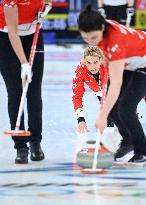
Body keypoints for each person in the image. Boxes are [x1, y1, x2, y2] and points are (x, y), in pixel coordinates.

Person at [77, 4, 146, 163]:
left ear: (102, 28)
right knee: (113, 109)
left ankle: (142, 149)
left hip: (143, 62)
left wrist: (101, 117)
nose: (90, 43)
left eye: (93, 38)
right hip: (130, 61)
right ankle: (128, 140)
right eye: (85, 38)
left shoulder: (115, 42)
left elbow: (115, 83)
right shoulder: (101, 27)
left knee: (126, 108)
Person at [0, 0, 52, 164]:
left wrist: (45, 12)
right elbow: (13, 34)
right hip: (7, 40)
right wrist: (24, 63)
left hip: (33, 35)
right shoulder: (10, 2)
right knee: (15, 92)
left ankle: (35, 142)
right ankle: (21, 146)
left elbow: (48, 3)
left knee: (34, 93)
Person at [72, 46, 107, 133]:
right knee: (110, 123)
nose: (92, 67)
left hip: (117, 90)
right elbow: (77, 96)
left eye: (95, 62)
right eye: (89, 62)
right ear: (84, 62)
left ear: (101, 60)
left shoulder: (109, 66)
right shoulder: (80, 71)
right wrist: (80, 120)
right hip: (101, 93)